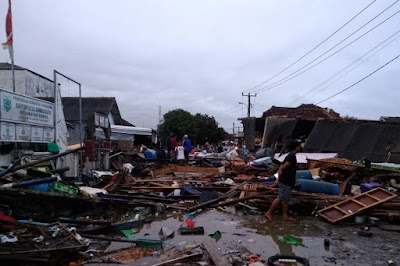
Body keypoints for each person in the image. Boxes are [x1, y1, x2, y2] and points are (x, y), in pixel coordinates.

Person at [265, 140, 301, 222]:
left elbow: (281, 166)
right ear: (296, 147)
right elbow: (282, 168)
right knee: (280, 198)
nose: (300, 148)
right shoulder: (291, 156)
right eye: (298, 146)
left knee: (286, 199)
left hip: (288, 182)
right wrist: (278, 179)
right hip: (285, 181)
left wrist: (278, 179)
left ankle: (285, 215)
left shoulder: (290, 156)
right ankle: (269, 212)